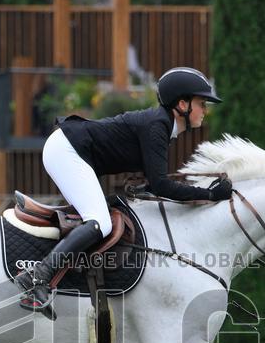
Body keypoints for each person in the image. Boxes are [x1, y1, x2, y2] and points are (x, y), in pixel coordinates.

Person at [16, 67, 232, 319]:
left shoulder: (162, 126)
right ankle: (38, 277)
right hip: (67, 151)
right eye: (201, 103)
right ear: (182, 104)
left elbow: (153, 184)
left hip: (71, 149)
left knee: (100, 219)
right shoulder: (157, 127)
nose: (205, 110)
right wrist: (209, 195)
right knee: (100, 224)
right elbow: (161, 186)